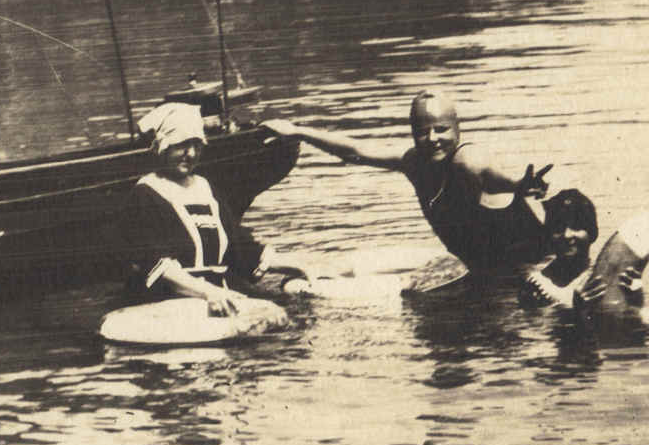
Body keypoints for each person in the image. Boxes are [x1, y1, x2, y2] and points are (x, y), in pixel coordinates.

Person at [262, 91, 553, 274]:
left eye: (442, 130)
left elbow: (489, 177)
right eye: (423, 132)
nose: (433, 139)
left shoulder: (467, 159)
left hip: (533, 265)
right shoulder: (413, 162)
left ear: (458, 130)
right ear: (413, 133)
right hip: (483, 269)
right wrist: (298, 132)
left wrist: (518, 185)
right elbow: (356, 152)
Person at [120, 101, 305, 316]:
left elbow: (240, 248)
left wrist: (298, 266)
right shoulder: (145, 194)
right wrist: (210, 293)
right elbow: (156, 265)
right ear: (163, 146)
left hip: (218, 293)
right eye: (182, 145)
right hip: (168, 301)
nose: (191, 154)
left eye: (197, 145)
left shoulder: (206, 188)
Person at [518, 188, 606, 308]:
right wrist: (574, 308)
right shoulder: (537, 285)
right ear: (549, 234)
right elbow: (533, 323)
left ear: (591, 232)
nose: (567, 235)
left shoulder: (602, 278)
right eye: (559, 228)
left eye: (576, 226)